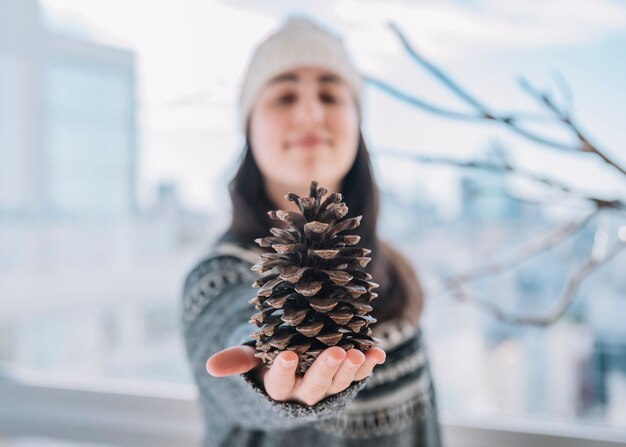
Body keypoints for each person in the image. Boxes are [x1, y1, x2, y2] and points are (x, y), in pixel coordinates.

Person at [181, 16, 442, 447]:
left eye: (329, 93)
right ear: (249, 128)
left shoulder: (393, 267)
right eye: (284, 96)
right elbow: (232, 334)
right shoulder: (216, 277)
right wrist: (268, 369)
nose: (309, 113)